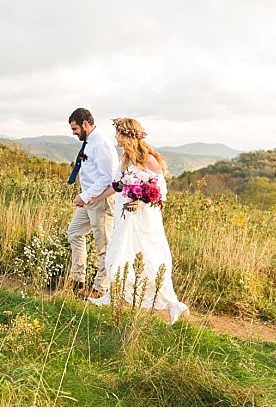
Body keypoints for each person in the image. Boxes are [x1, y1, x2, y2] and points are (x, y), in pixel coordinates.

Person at [85, 118, 190, 324]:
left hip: (144, 218)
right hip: (124, 216)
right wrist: (94, 198)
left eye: (118, 133)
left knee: (151, 260)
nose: (115, 137)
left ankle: (174, 304)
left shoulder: (149, 160)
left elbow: (160, 192)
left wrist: (141, 202)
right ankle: (112, 296)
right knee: (117, 254)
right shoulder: (125, 159)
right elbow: (116, 186)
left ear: (127, 136)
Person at [64, 108, 118, 298]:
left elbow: (107, 179)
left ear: (85, 124)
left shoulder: (101, 144)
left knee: (103, 246)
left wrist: (85, 196)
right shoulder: (89, 142)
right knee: (74, 232)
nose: (74, 133)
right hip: (89, 200)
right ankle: (77, 279)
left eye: (75, 128)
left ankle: (99, 289)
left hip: (101, 200)